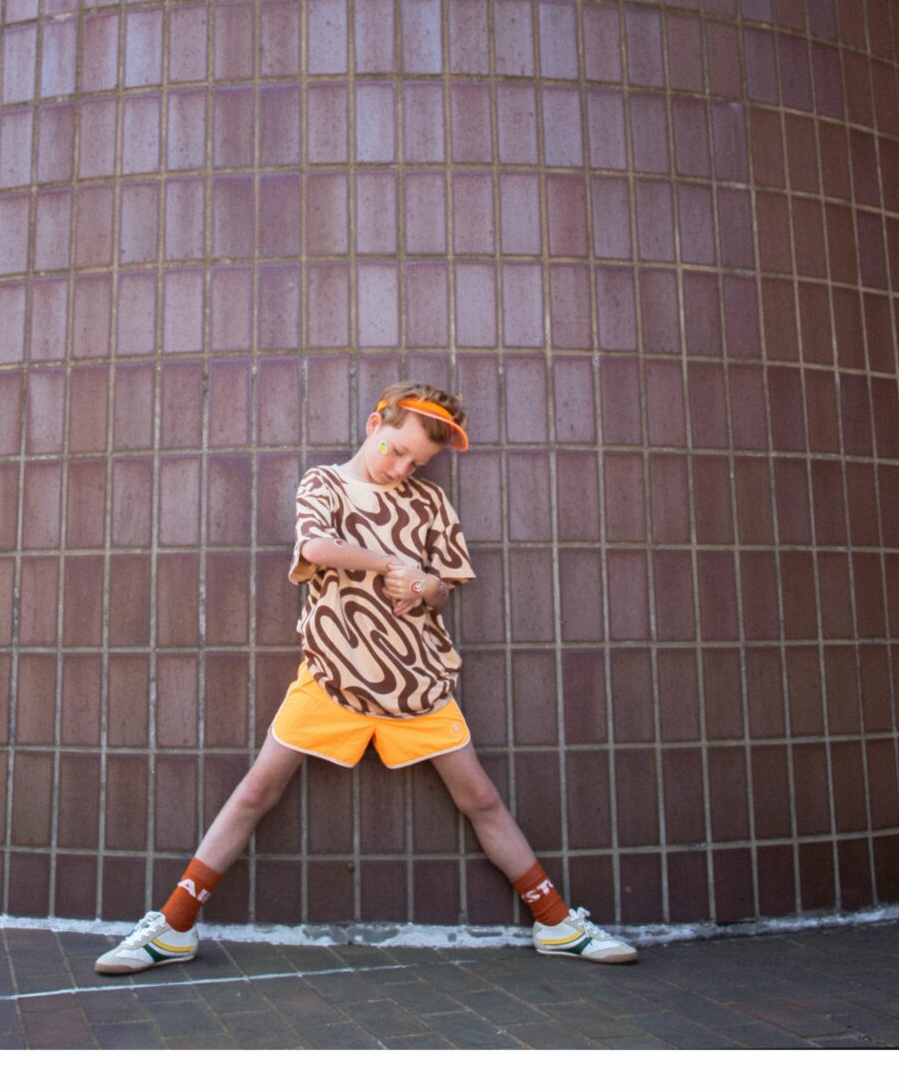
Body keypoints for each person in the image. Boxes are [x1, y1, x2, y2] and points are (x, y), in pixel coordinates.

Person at [94, 382, 635, 974]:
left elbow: (444, 585)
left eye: (417, 462)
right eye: (394, 450)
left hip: (416, 680)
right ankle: (173, 927)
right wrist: (391, 564)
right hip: (333, 674)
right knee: (255, 792)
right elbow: (316, 546)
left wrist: (426, 585)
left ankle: (556, 922)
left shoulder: (429, 504)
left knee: (480, 797)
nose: (401, 468)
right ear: (376, 421)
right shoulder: (324, 483)